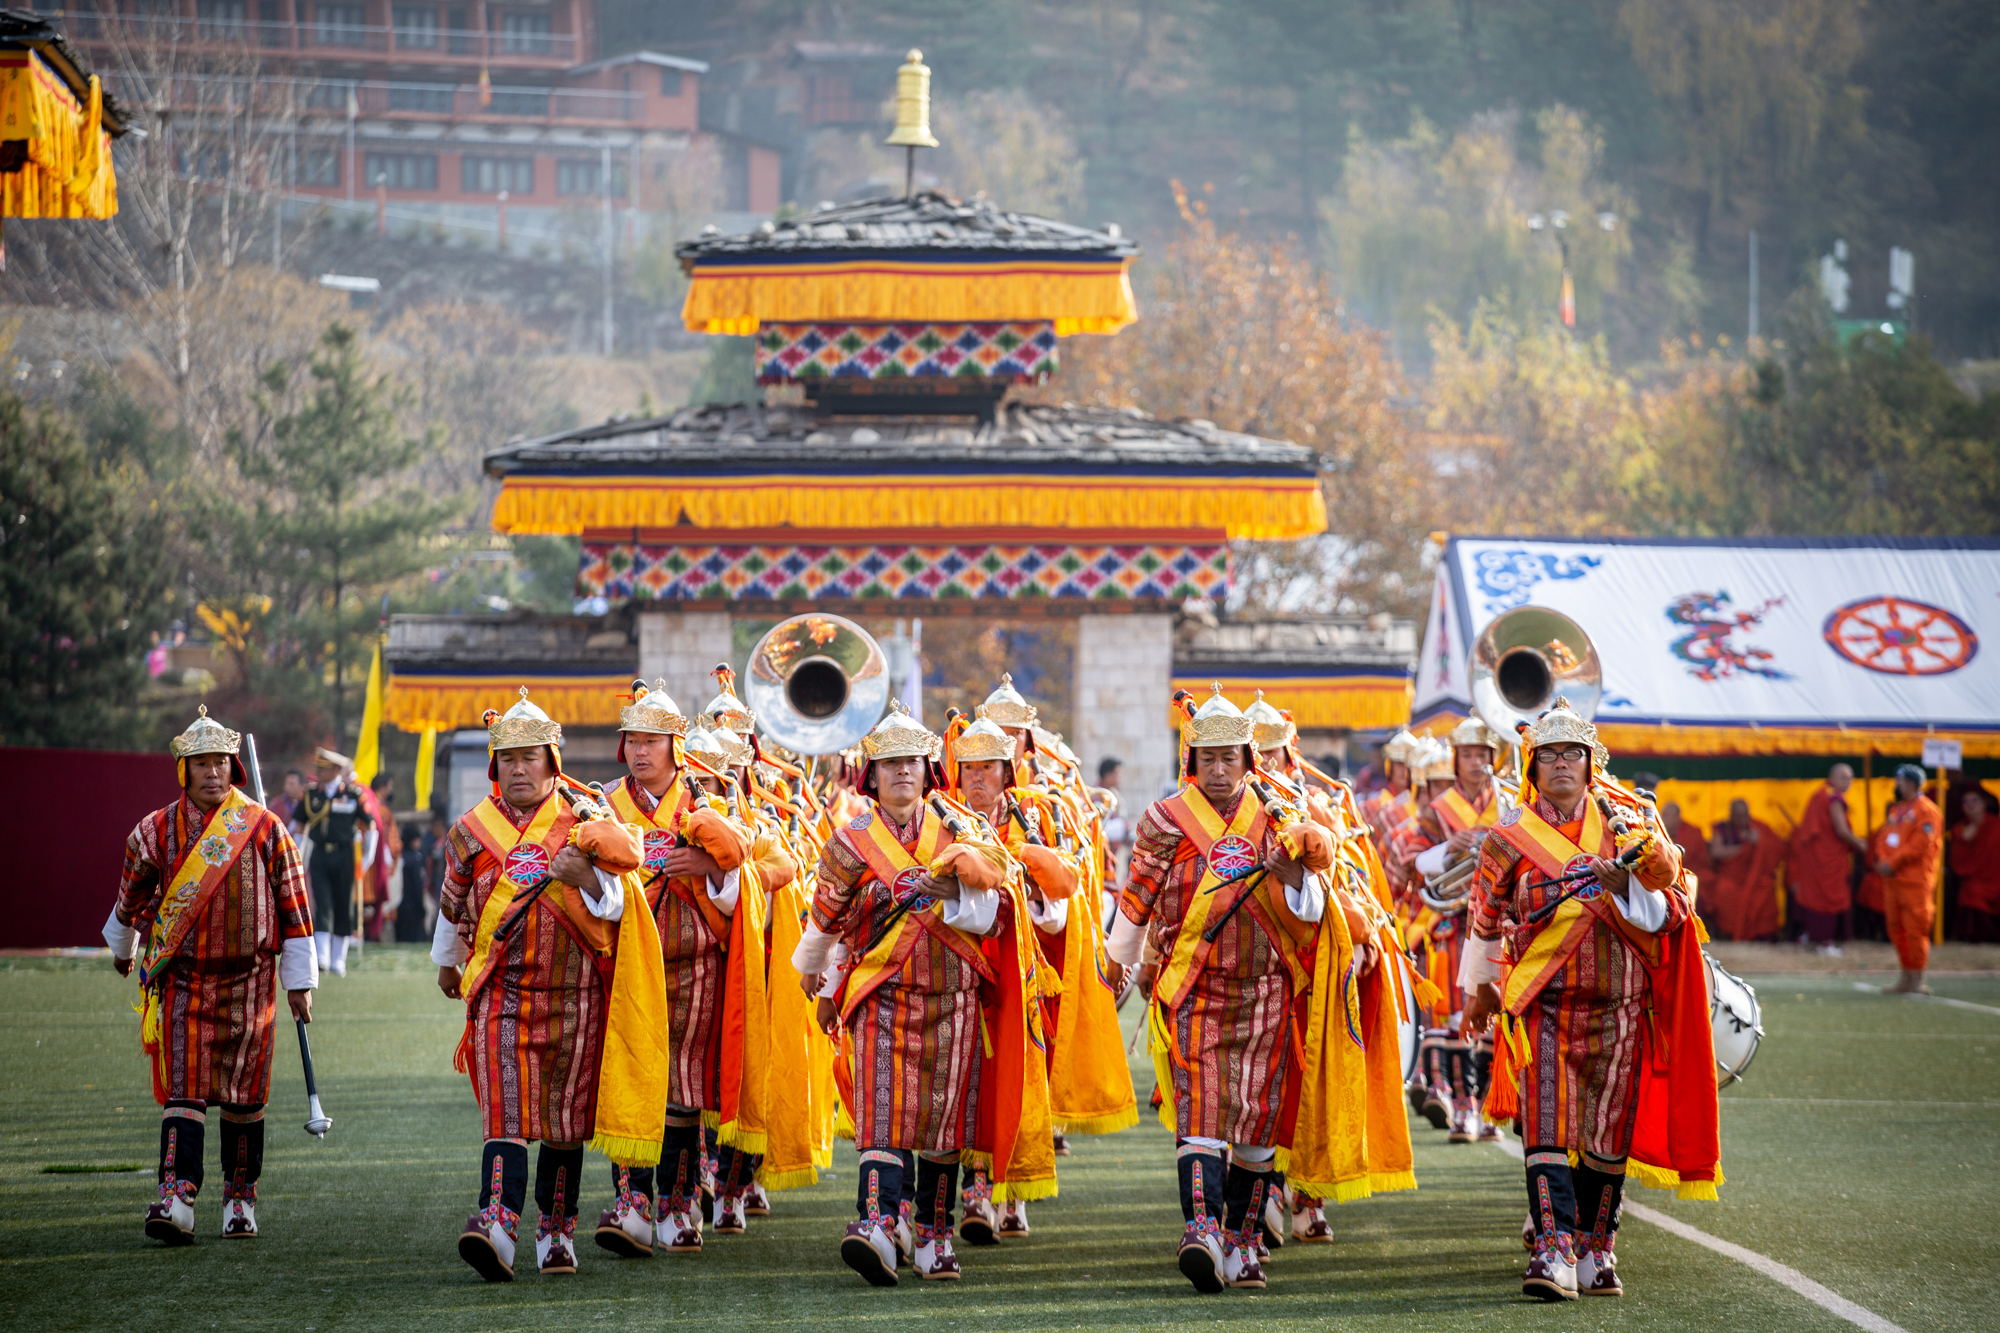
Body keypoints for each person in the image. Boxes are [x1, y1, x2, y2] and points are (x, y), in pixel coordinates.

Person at [1107, 685, 1385, 1295]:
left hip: (1267, 992)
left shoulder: (1286, 815)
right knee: (1203, 1115)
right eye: (1207, 755)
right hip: (1193, 990)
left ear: (1249, 757)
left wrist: (1295, 880)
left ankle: (1243, 1242)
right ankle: (1202, 1232)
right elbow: (1135, 902)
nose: (1219, 766)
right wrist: (1115, 967)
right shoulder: (1161, 818)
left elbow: (1317, 911)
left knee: (1257, 1128)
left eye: (1229, 754)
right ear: (1191, 759)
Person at [1461, 698, 1717, 1301]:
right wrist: (1477, 991)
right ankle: (1551, 1250)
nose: (1561, 765)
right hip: (1544, 1005)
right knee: (1546, 1128)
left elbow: (1676, 910)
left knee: (1607, 1137)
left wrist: (1627, 886)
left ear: (1591, 760)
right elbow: (1482, 919)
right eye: (1548, 755)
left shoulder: (1633, 821)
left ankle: (1596, 1248)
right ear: (1533, 765)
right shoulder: (1508, 836)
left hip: (1623, 1007)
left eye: (1571, 754)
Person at [791, 701, 1044, 1285]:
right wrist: (818, 979)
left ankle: (932, 1236)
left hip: (953, 995)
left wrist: (951, 894)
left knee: (941, 1126)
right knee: (882, 1118)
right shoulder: (850, 841)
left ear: (929, 770)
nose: (902, 771)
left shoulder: (965, 831)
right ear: (871, 775)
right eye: (890, 763)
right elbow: (825, 920)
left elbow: (999, 913)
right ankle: (877, 1225)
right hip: (881, 992)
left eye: (912, 761)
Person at [433, 689, 667, 1281]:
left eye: (530, 756)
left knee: (563, 1123)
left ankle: (556, 1232)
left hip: (577, 996)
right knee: (506, 1115)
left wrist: (584, 874)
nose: (518, 768)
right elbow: (453, 905)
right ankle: (497, 1222)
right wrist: (448, 962)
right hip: (501, 994)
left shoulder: (588, 820)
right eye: (508, 758)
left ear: (551, 762)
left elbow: (620, 903)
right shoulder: (470, 831)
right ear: (495, 765)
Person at [102, 706, 318, 1243]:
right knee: (186, 1090)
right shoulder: (153, 832)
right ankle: (177, 1196)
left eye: (221, 762)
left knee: (246, 1099)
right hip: (183, 980)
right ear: (184, 770)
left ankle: (240, 1198)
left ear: (235, 767)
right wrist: (124, 945)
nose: (213, 772)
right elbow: (130, 896)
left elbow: (294, 906)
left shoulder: (266, 829)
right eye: (201, 764)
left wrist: (300, 983)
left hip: (252, 985)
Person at [947, 714, 1132, 1242]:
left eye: (988, 768)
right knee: (967, 1081)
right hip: (958, 969)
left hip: (1027, 972)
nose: (977, 779)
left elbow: (1067, 895)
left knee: (1023, 1076)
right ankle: (976, 1188)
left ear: (1010, 770)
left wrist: (1031, 890)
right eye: (969, 768)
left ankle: (1015, 1189)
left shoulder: (1039, 816)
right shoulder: (942, 821)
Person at [1244, 692, 1414, 1242]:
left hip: (1320, 956)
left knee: (1313, 1073)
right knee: (1259, 1079)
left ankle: (1307, 1195)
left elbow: (1357, 880)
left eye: (1274, 753)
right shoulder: (1224, 810)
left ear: (1291, 752)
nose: (1266, 765)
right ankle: (1261, 1187)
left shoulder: (1322, 804)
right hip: (1250, 960)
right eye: (1257, 754)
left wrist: (1366, 936)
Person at [591, 682, 754, 1258]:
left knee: (684, 1089)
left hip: (696, 962)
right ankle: (632, 1202)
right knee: (636, 1078)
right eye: (632, 739)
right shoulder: (604, 802)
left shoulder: (709, 803)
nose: (640, 751)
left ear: (675, 746)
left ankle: (680, 1204)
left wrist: (711, 865)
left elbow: (743, 890)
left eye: (651, 740)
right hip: (628, 963)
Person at [299, 748, 374, 976]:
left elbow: (370, 824)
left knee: (343, 905)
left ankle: (337, 961)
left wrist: (368, 856)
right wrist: (297, 858)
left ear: (335, 770)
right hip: (320, 854)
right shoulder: (312, 794)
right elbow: (300, 827)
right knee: (322, 904)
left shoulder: (353, 794)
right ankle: (321, 958)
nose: (319, 773)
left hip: (345, 856)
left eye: (323, 769)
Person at [1877, 765, 1944, 995]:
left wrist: (1892, 862)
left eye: (1900, 781)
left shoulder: (1928, 811)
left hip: (1915, 881)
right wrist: (1883, 859)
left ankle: (1918, 978)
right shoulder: (1896, 810)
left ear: (1913, 784)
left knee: (1916, 928)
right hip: (1893, 880)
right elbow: (1883, 837)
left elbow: (1919, 845)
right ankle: (1905, 976)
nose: (1896, 785)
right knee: (1896, 929)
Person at [1790, 766, 1868, 949]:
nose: (1847, 782)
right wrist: (1860, 844)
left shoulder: (1821, 794)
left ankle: (1810, 936)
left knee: (1817, 894)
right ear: (1831, 778)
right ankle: (1824, 941)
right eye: (1843, 777)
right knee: (1828, 896)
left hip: (1820, 856)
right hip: (1826, 859)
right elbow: (1841, 830)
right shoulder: (1833, 798)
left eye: (1850, 778)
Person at [1706, 800, 1785, 942]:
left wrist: (1761, 842)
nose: (1743, 819)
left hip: (1756, 878)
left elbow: (1780, 850)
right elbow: (1716, 852)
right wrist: (1742, 848)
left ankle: (1764, 937)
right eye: (1738, 816)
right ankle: (1728, 935)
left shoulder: (1759, 828)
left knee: (1765, 893)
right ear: (1731, 815)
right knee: (1724, 891)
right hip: (1731, 877)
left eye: (1745, 815)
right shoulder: (1723, 828)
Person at [1952, 790, 2000, 942]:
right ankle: (1977, 937)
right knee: (1972, 891)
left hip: (1996, 877)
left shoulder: (1996, 826)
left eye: (1974, 800)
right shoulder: (1959, 829)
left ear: (1984, 803)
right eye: (1966, 802)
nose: (1970, 804)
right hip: (1976, 879)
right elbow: (1958, 861)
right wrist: (1963, 839)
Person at [1659, 803, 1712, 913]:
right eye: (1663, 814)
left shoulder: (1692, 833)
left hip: (1692, 874)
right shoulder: (1657, 832)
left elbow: (1692, 860)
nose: (1662, 818)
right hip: (1666, 875)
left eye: (1667, 815)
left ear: (1677, 818)